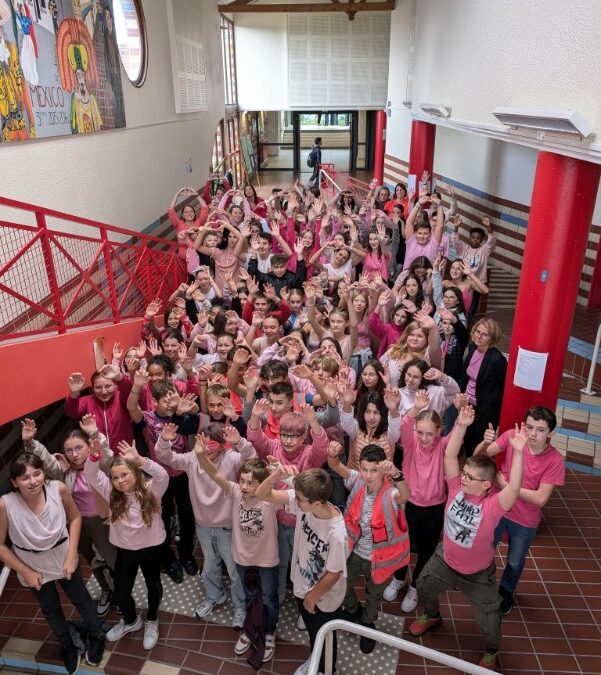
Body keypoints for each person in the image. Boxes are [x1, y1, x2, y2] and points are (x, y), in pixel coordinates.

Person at [409, 405, 525, 672]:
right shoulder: (455, 488)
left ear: (486, 484)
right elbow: (450, 455)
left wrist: (517, 452)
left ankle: (491, 651)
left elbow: (515, 488)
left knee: (489, 619)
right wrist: (461, 425)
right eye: (463, 474)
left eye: (469, 477)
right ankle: (433, 615)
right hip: (445, 560)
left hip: (477, 574)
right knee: (424, 586)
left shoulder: (494, 505)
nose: (462, 478)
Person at [0, 453, 105, 674]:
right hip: (31, 566)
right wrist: (25, 572)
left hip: (63, 556)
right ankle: (67, 645)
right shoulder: (5, 505)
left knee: (81, 599)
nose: (33, 481)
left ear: (44, 473)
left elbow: (75, 518)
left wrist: (71, 556)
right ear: (14, 482)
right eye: (24, 477)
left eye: (37, 473)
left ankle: (97, 635)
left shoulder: (58, 489)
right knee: (50, 609)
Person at [153, 422, 255, 629]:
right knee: (209, 565)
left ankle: (241, 607)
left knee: (234, 569)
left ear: (222, 444)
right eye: (203, 444)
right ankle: (214, 596)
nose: (207, 449)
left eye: (212, 445)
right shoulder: (192, 458)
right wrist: (164, 440)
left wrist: (240, 442)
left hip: (227, 525)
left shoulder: (231, 458)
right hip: (203, 525)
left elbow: (251, 458)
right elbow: (166, 457)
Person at [22, 415, 117, 617]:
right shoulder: (64, 472)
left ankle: (121, 593)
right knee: (92, 560)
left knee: (111, 558)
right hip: (77, 523)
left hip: (103, 520)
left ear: (88, 447)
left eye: (78, 448)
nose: (74, 455)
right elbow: (46, 461)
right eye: (69, 450)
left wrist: (94, 433)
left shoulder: (101, 464)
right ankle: (107, 591)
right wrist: (31, 442)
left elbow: (107, 453)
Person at [256, 465, 347, 675]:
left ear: (316, 503)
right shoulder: (305, 502)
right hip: (302, 585)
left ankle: (326, 669)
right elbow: (262, 494)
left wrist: (312, 598)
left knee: (324, 635)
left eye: (299, 500)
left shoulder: (336, 533)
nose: (294, 501)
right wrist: (276, 476)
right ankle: (315, 656)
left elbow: (334, 573)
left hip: (324, 598)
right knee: (314, 634)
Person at [475, 405, 565, 615]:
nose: (532, 434)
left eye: (540, 430)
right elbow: (481, 457)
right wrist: (485, 441)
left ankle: (506, 591)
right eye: (530, 427)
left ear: (551, 433)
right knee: (484, 548)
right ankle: (478, 582)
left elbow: (541, 498)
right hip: (498, 509)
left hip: (525, 520)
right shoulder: (513, 436)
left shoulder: (555, 460)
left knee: (515, 561)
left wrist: (508, 487)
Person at [195, 443, 280, 664]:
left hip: (267, 560)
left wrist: (276, 474)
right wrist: (199, 455)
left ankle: (269, 633)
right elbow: (214, 473)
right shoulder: (234, 492)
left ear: (262, 484)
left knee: (269, 599)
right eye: (242, 480)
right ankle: (250, 629)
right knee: (250, 596)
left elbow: (292, 489)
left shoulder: (270, 498)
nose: (244, 486)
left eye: (251, 483)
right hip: (242, 558)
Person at [84, 439, 169, 651]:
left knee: (153, 586)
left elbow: (162, 475)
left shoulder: (151, 490)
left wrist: (140, 460)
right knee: (121, 591)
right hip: (125, 550)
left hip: (151, 548)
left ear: (134, 473)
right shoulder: (112, 493)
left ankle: (152, 620)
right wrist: (93, 457)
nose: (120, 481)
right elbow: (92, 475)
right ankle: (131, 621)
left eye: (124, 475)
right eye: (114, 477)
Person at [327, 442, 410, 653]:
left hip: (379, 558)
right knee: (341, 586)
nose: (368, 475)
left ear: (382, 469)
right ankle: (354, 611)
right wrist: (332, 454)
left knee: (374, 595)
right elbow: (335, 465)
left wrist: (397, 474)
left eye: (374, 470)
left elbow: (405, 496)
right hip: (353, 551)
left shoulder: (391, 493)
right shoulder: (357, 481)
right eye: (364, 469)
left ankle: (367, 624)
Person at [460, 318, 507, 456]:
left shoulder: (497, 359)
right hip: (469, 404)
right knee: (468, 436)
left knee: (480, 440)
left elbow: (503, 386)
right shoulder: (472, 349)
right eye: (477, 332)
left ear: (492, 338)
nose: (479, 336)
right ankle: (469, 463)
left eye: (484, 334)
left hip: (485, 410)